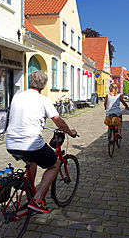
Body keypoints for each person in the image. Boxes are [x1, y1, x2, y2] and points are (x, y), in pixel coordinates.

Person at [5, 70, 77, 213]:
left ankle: (29, 192)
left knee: (32, 161)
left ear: (29, 82)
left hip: (11, 143)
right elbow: (59, 123)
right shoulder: (43, 100)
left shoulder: (16, 97)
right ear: (43, 86)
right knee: (55, 164)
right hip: (31, 144)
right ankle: (37, 200)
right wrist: (70, 132)